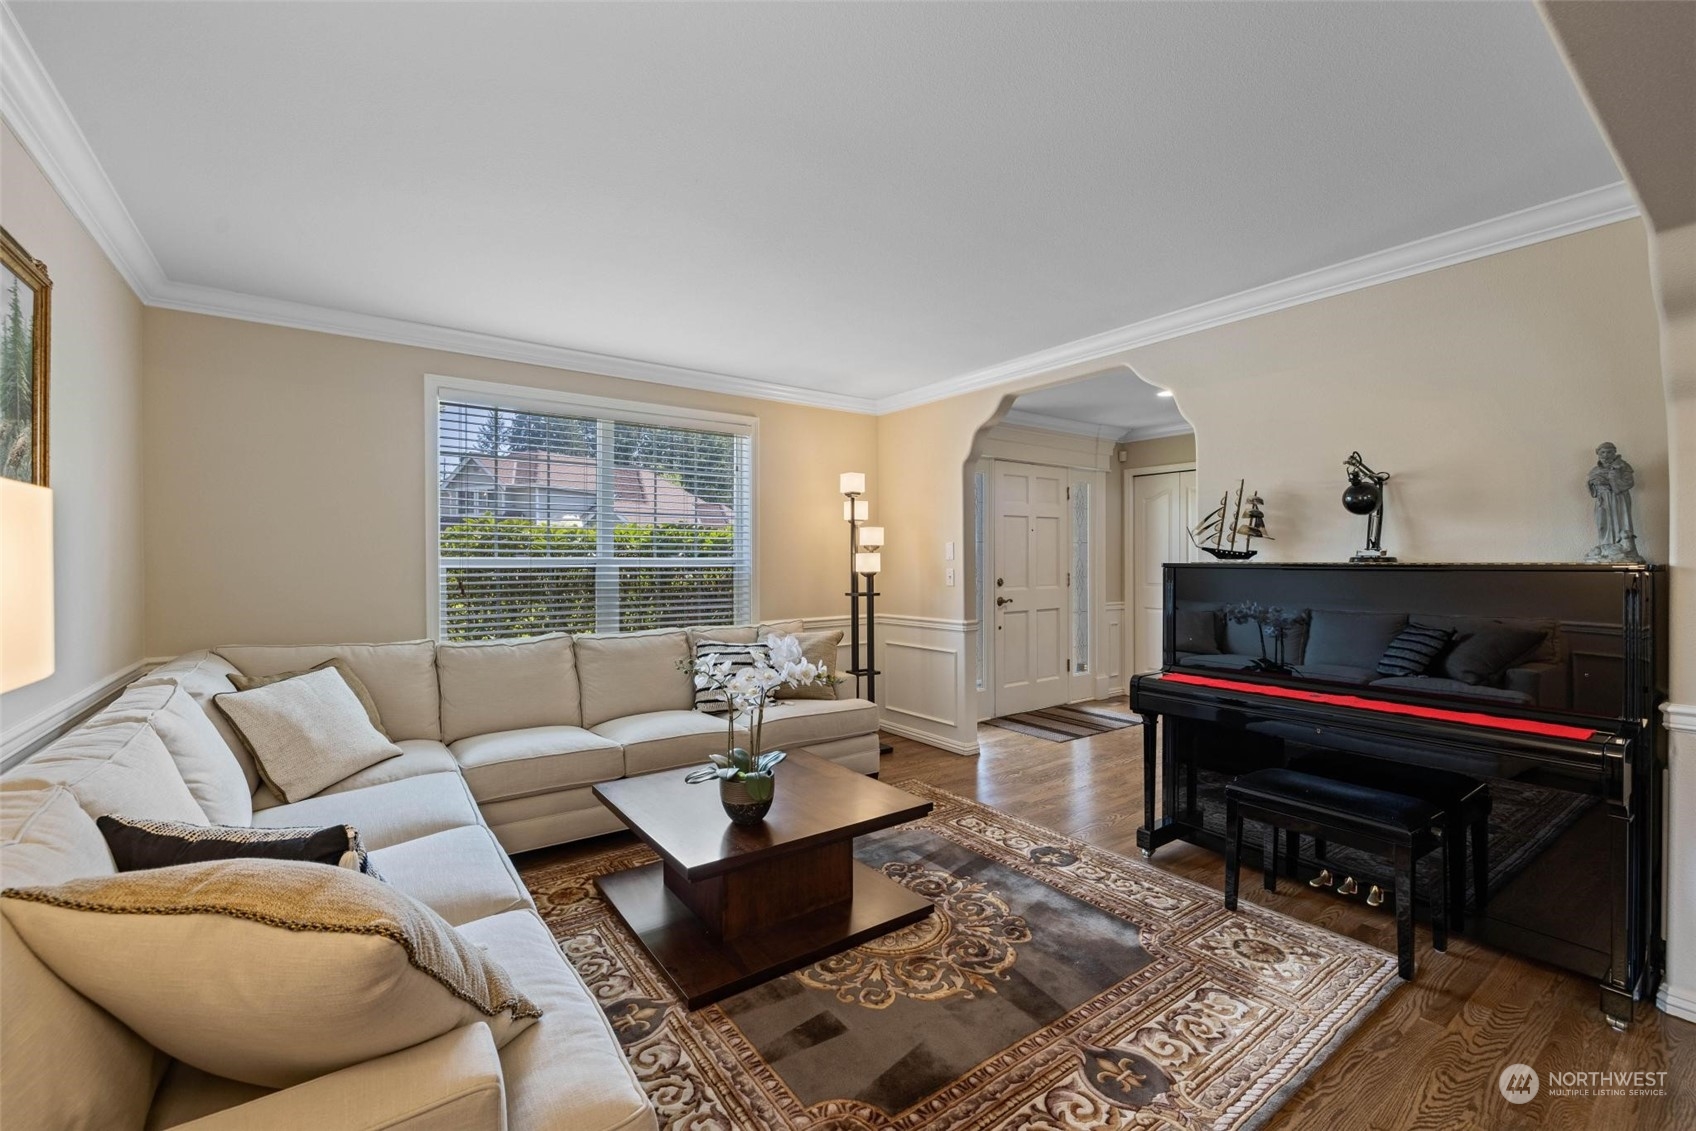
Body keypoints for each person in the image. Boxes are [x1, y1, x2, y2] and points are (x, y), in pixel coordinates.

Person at [1586, 442, 1644, 563]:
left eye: (1609, 452)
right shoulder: (1595, 470)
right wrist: (1594, 484)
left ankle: (1622, 546)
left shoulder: (1623, 466)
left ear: (1614, 453)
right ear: (1598, 454)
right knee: (1602, 524)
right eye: (1602, 452)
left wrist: (1612, 480)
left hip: (1618, 499)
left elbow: (1629, 482)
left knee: (1621, 521)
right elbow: (1591, 487)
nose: (1605, 455)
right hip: (1602, 500)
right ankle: (1605, 546)